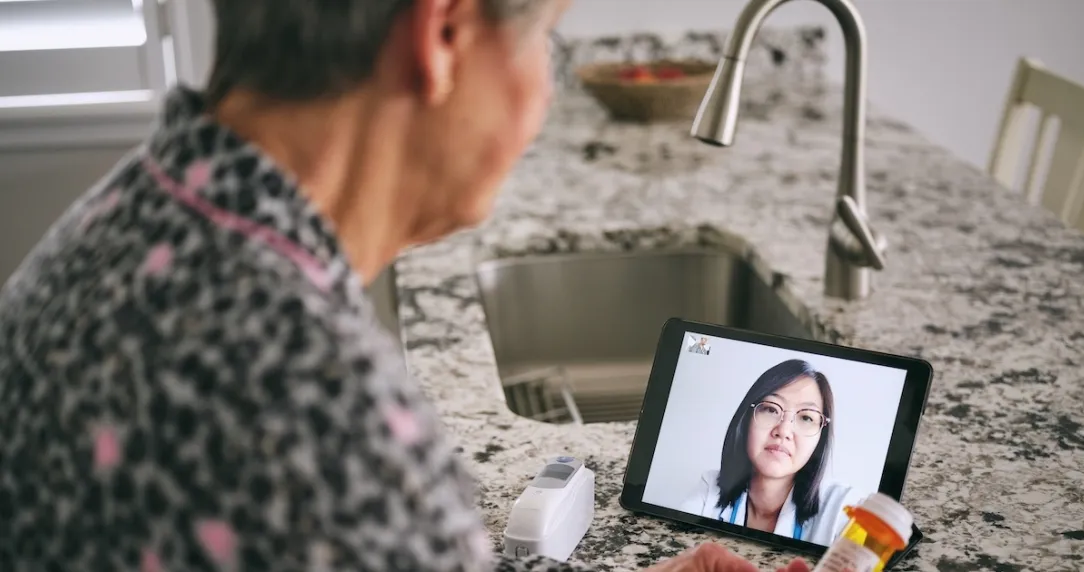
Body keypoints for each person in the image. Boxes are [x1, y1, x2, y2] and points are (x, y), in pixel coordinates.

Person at [0, 0, 814, 571]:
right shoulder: (317, 404)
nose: (544, 92)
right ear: (443, 33)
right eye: (546, 41)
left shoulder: (122, 219)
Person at [682, 360, 864, 547]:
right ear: (745, 421)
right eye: (771, 409)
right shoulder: (710, 489)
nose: (784, 431)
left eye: (806, 417)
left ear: (820, 438)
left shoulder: (845, 510)